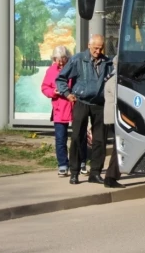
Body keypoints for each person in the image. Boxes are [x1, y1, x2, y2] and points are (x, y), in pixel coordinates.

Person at [56, 34, 113, 185]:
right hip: (81, 101)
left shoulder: (107, 62)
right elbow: (61, 78)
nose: (98, 51)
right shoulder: (78, 59)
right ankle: (74, 172)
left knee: (100, 140)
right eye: (95, 48)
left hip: (100, 104)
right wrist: (67, 94)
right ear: (89, 46)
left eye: (101, 48)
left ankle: (95, 173)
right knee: (76, 137)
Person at [41, 45, 86, 177]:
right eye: (57, 59)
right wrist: (53, 92)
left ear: (68, 58)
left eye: (63, 59)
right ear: (54, 58)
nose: (60, 62)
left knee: (79, 136)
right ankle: (63, 164)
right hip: (59, 108)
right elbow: (44, 87)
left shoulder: (74, 68)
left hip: (74, 106)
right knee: (60, 139)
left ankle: (81, 162)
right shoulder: (51, 71)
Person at [103, 55, 124, 188]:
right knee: (119, 146)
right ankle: (110, 177)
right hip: (116, 117)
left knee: (119, 146)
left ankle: (111, 176)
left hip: (114, 117)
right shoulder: (115, 80)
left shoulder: (113, 77)